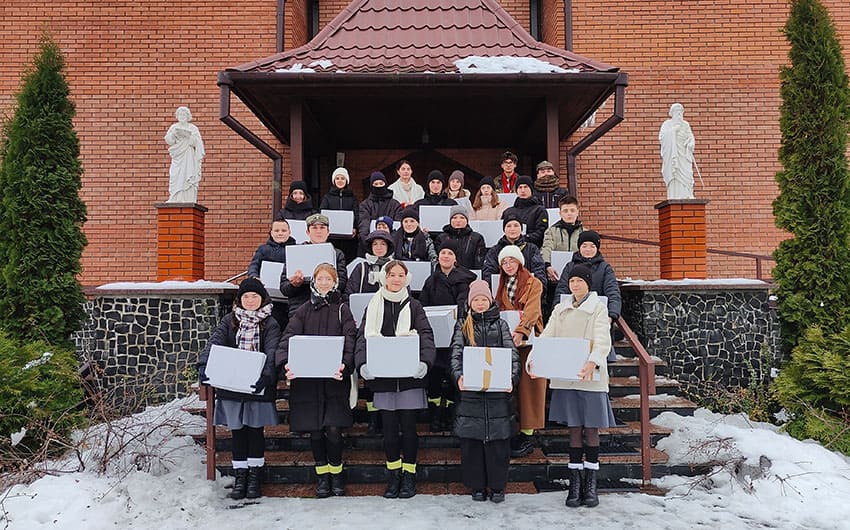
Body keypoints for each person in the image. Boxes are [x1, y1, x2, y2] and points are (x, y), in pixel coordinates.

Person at [530, 264, 614, 508]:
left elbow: (603, 340)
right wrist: (535, 359)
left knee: (591, 429)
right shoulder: (561, 308)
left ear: (588, 283)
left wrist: (592, 362)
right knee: (574, 429)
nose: (575, 285)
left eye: (580, 281)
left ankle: (591, 482)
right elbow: (547, 336)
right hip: (566, 376)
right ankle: (574, 482)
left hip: (590, 375)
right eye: (572, 281)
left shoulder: (598, 308)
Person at [355, 261, 436, 499]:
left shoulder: (414, 306)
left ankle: (409, 475)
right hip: (383, 378)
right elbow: (362, 337)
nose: (396, 279)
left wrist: (425, 361)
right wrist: (362, 363)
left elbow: (426, 335)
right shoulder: (373, 305)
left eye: (401, 275)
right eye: (392, 274)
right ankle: (393, 475)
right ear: (384, 277)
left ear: (406, 279)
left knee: (409, 430)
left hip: (409, 378)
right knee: (389, 432)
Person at [278, 263, 357, 498]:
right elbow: (288, 338)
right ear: (314, 281)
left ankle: (337, 474)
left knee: (333, 429)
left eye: (328, 279)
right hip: (308, 382)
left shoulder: (343, 310)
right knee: (314, 431)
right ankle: (322, 476)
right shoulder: (303, 310)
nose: (324, 283)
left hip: (334, 379)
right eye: (320, 279)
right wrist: (285, 364)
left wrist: (345, 364)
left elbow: (350, 339)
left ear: (335, 283)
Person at [197, 278, 280, 500]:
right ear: (240, 299)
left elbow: (273, 350)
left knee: (255, 432)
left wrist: (267, 375)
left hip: (256, 385)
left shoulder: (270, 323)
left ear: (262, 298)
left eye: (255, 296)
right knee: (238, 432)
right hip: (232, 384)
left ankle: (254, 477)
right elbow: (215, 342)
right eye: (246, 296)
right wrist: (204, 365)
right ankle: (240, 476)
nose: (250, 300)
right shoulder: (229, 320)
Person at [450, 280, 519, 504]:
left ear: (489, 301)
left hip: (498, 394)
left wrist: (511, 378)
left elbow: (512, 354)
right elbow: (456, 353)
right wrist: (458, 376)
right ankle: (477, 486)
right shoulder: (463, 325)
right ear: (470, 302)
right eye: (476, 300)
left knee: (498, 444)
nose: (480, 303)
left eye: (483, 299)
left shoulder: (501, 325)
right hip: (471, 394)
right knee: (472, 444)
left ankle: (498, 486)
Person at [419, 239, 477, 432]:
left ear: (456, 259)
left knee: (453, 377)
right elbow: (423, 306)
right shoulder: (430, 281)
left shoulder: (465, 281)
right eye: (443, 252)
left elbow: (464, 307)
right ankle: (435, 415)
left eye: (450, 253)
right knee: (434, 378)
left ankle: (451, 415)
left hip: (456, 335)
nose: (445, 256)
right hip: (435, 337)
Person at [494, 246, 545, 458]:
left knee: (529, 386)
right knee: (511, 386)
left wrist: (521, 330)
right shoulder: (501, 284)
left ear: (519, 262)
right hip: (509, 341)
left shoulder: (533, 282)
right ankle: (513, 430)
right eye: (504, 262)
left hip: (529, 339)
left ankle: (528, 433)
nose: (508, 265)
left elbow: (533, 310)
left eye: (511, 261)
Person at [553, 230, 621, 348]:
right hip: (572, 319)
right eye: (584, 246)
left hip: (596, 319)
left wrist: (611, 315)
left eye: (592, 246)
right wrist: (557, 311)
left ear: (597, 248)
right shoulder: (570, 266)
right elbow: (562, 290)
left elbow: (613, 292)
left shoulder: (605, 268)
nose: (588, 249)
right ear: (579, 247)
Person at [280, 213, 348, 317]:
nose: (318, 231)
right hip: (300, 308)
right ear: (307, 232)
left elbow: (342, 283)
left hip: (329, 307)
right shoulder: (296, 253)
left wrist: (326, 283)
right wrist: (294, 285)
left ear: (328, 232)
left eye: (322, 228)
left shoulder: (337, 254)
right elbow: (284, 287)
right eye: (314, 228)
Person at [247, 218, 297, 329]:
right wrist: (254, 277)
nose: (280, 233)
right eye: (277, 230)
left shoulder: (297, 249)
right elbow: (254, 265)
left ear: (289, 232)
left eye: (283, 230)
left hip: (291, 296)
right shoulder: (263, 249)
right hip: (271, 297)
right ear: (271, 232)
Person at [481, 213, 547, 287]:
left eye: (516, 225)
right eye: (509, 226)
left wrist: (537, 289)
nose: (512, 229)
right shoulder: (494, 251)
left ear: (521, 229)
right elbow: (488, 273)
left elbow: (539, 272)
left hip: (528, 290)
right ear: (504, 229)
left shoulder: (532, 249)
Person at [541, 195, 586, 283]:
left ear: (577, 212)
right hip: (556, 274)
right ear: (560, 213)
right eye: (565, 211)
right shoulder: (551, 231)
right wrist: (547, 265)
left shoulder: (585, 233)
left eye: (572, 210)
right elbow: (546, 248)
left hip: (579, 275)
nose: (569, 213)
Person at [165, 106, 205, 203]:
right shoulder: (174, 127)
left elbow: (198, 143)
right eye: (180, 114)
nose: (182, 116)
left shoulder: (193, 128)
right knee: (175, 174)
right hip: (177, 155)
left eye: (184, 114)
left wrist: (190, 138)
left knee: (188, 173)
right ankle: (175, 196)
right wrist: (173, 134)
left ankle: (188, 197)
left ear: (188, 116)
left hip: (188, 154)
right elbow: (169, 141)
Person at [319, 167, 360, 262]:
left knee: (348, 260)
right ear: (334, 181)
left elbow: (356, 214)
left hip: (349, 238)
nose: (340, 181)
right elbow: (322, 214)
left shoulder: (352, 198)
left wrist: (355, 228)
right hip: (332, 237)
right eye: (337, 178)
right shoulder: (327, 197)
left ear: (347, 181)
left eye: (342, 178)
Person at [358, 171, 402, 254]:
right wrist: (369, 243)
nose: (378, 186)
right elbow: (363, 226)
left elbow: (398, 227)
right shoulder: (365, 205)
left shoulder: (395, 205)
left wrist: (390, 243)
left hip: (392, 246)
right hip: (370, 246)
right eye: (376, 184)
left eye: (381, 183)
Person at [659, 103, 696, 200]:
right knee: (674, 173)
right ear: (672, 113)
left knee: (687, 174)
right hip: (673, 155)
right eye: (677, 112)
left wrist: (691, 143)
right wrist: (673, 130)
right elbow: (662, 137)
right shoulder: (667, 124)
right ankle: (674, 194)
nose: (679, 115)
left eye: (681, 112)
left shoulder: (685, 125)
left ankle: (687, 193)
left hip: (684, 155)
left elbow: (690, 136)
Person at [434, 205, 486, 270]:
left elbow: (479, 261)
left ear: (467, 220)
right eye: (454, 217)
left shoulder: (477, 238)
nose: (458, 220)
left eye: (462, 217)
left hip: (469, 274)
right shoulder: (441, 238)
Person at [502, 175, 548, 248]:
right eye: (520, 187)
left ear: (531, 189)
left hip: (532, 249)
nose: (523, 190)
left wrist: (524, 238)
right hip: (509, 248)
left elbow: (542, 232)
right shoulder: (508, 212)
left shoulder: (539, 210)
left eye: (526, 187)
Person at [346, 230, 395, 298]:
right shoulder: (362, 268)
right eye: (375, 244)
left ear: (388, 246)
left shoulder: (395, 267)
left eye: (383, 244)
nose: (379, 247)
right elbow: (349, 293)